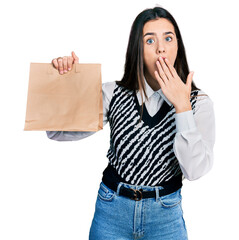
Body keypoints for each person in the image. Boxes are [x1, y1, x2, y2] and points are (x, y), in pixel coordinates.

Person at [46, 6, 215, 240]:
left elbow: (195, 171)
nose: (161, 48)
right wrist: (63, 83)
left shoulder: (199, 103)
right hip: (112, 212)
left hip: (165, 217)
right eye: (149, 40)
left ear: (178, 45)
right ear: (137, 47)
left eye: (168, 38)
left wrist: (182, 107)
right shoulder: (113, 93)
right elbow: (57, 131)